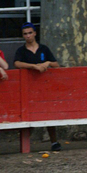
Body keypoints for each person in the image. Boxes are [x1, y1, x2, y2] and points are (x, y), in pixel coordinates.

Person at [14, 22, 62, 151]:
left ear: (35, 33)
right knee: (28, 116)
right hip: (28, 88)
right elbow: (17, 64)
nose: (28, 36)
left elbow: (56, 64)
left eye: (30, 33)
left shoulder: (44, 49)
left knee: (48, 114)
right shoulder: (21, 50)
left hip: (45, 87)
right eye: (25, 34)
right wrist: (34, 66)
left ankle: (54, 142)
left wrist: (47, 63)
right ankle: (25, 144)